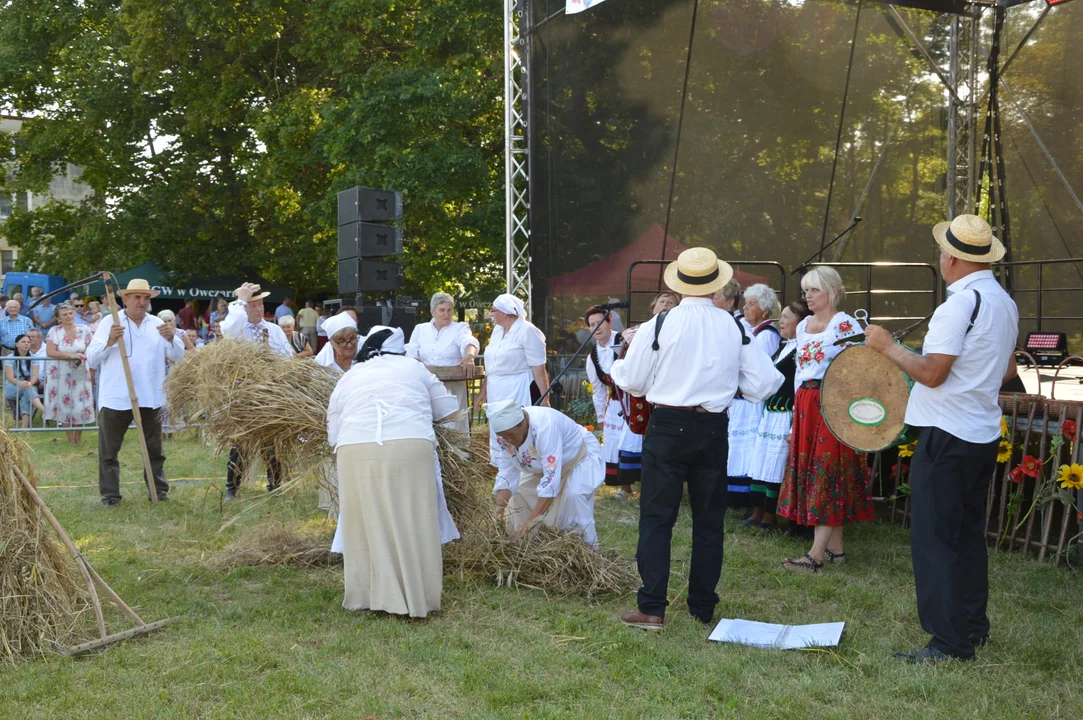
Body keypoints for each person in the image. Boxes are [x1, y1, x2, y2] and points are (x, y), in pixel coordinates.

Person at [865, 214, 1018, 663]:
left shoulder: (959, 305)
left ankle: (949, 643)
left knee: (934, 539)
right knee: (967, 534)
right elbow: (1008, 369)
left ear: (950, 258)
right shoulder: (1003, 301)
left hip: (948, 434)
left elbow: (932, 373)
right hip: (981, 432)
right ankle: (971, 626)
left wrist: (888, 347)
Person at [611, 248, 783, 631]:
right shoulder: (733, 326)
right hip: (712, 429)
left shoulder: (659, 324)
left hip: (668, 426)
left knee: (657, 519)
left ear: (678, 282)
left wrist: (620, 363)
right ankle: (702, 607)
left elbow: (634, 380)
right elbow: (766, 383)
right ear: (715, 284)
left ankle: (652, 607)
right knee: (709, 520)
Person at [327, 326, 460, 619]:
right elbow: (450, 409)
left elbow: (333, 432)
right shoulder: (414, 367)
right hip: (410, 445)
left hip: (354, 448)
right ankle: (414, 597)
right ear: (401, 348)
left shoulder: (351, 375)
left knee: (365, 522)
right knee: (412, 518)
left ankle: (369, 596)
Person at [776, 266, 874, 572]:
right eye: (806, 291)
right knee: (820, 471)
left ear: (832, 291)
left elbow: (856, 369)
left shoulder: (844, 324)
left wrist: (848, 411)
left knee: (827, 471)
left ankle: (816, 555)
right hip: (806, 403)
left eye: (814, 290)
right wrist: (795, 419)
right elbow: (799, 375)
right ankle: (836, 550)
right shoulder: (804, 325)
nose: (808, 296)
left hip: (831, 403)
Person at [87, 279, 185, 505]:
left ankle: (158, 491)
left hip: (150, 396)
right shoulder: (109, 323)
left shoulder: (157, 324)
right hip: (116, 397)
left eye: (146, 298)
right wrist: (111, 340)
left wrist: (172, 339)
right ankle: (110, 496)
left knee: (154, 450)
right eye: (137, 297)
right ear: (126, 299)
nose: (142, 302)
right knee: (109, 451)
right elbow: (92, 358)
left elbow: (178, 356)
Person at [485, 399, 605, 546]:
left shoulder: (545, 426)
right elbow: (507, 471)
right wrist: (498, 510)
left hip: (577, 459)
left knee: (573, 496)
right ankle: (522, 546)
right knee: (519, 494)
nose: (507, 440)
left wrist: (530, 523)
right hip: (542, 466)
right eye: (503, 436)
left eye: (510, 435)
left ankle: (583, 550)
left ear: (523, 423)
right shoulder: (502, 435)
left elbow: (550, 480)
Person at [221, 282, 294, 499]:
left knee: (271, 443)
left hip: (270, 393)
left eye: (260, 304)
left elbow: (287, 358)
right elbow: (228, 328)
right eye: (253, 305)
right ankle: (231, 488)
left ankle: (275, 486)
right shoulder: (237, 330)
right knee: (241, 444)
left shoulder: (273, 330)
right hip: (243, 396)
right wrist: (240, 301)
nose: (259, 309)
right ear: (243, 308)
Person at [747, 299, 811, 530]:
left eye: (786, 317)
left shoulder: (803, 349)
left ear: (801, 322)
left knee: (776, 461)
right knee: (762, 459)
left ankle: (771, 514)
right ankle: (757, 510)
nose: (780, 321)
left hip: (786, 413)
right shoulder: (784, 347)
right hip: (771, 412)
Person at [610, 291, 679, 496]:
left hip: (666, 392)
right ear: (653, 308)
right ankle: (626, 486)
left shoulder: (679, 332)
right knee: (633, 433)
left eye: (671, 303)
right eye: (662, 302)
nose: (666, 305)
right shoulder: (636, 332)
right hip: (639, 390)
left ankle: (661, 487)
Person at [727, 284, 782, 514]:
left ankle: (749, 499)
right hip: (740, 402)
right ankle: (735, 496)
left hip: (752, 402)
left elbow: (755, 368)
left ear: (765, 310)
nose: (745, 308)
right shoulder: (748, 330)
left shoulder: (767, 335)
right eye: (746, 303)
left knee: (749, 449)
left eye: (752, 304)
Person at [406, 292, 480, 432]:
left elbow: (469, 341)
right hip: (426, 387)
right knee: (429, 425)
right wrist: (424, 368)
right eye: (442, 310)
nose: (446, 314)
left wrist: (469, 356)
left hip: (453, 389)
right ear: (432, 311)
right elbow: (411, 354)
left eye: (449, 310)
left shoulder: (460, 328)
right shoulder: (421, 329)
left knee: (455, 427)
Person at [582, 305, 626, 492]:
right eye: (592, 325)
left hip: (636, 401)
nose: (596, 328)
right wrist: (601, 416)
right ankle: (625, 487)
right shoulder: (593, 355)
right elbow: (598, 390)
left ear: (609, 322)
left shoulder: (625, 341)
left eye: (600, 322)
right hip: (615, 401)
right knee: (615, 440)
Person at [45, 303, 96, 444]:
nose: (69, 316)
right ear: (58, 318)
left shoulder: (84, 329)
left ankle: (79, 438)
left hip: (79, 370)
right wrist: (71, 356)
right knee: (63, 403)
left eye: (70, 313)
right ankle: (70, 438)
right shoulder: (54, 331)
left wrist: (86, 358)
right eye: (65, 314)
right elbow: (51, 352)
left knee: (80, 403)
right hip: (60, 372)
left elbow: (92, 348)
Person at [3, 334, 44, 428]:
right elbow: (10, 377)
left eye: (28, 342)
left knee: (27, 394)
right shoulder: (10, 358)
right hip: (13, 386)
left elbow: (34, 376)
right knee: (28, 390)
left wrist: (30, 383)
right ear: (16, 344)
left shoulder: (33, 358)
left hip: (28, 385)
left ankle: (23, 430)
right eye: (23, 342)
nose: (26, 344)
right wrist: (20, 383)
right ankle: (44, 411)